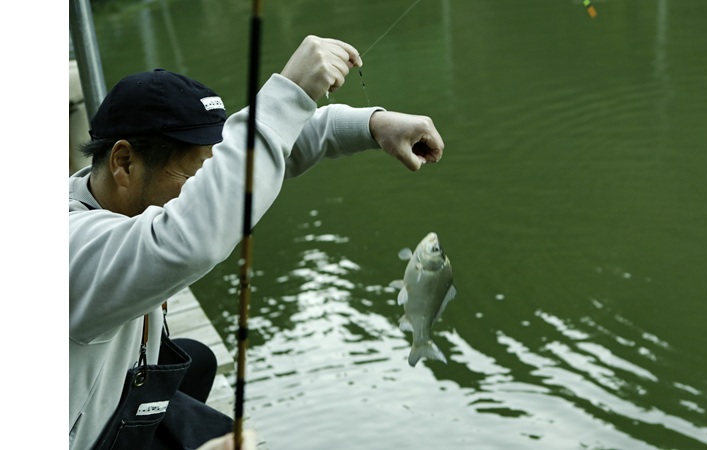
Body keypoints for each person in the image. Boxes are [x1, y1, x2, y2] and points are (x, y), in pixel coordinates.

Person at [69, 35, 444, 449]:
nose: (207, 189)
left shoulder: (106, 199)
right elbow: (190, 237)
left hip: (109, 396)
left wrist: (368, 126)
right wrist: (292, 90)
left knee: (199, 359)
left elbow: (257, 157)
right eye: (196, 179)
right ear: (124, 163)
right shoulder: (72, 247)